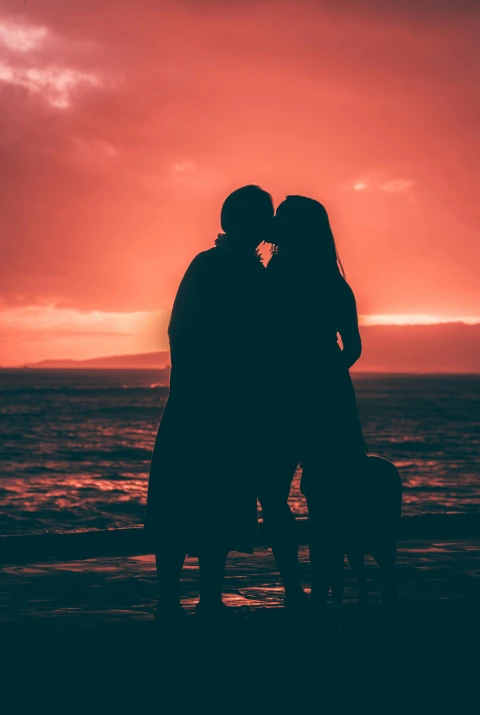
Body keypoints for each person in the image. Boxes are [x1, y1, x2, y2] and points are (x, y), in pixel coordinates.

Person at [145, 185, 274, 622]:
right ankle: (168, 597)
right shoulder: (207, 265)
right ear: (233, 220)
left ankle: (209, 596)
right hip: (197, 401)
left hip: (234, 405)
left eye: (264, 219)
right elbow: (180, 331)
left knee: (219, 497)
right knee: (182, 496)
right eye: (254, 217)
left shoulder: (258, 276)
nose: (259, 228)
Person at [266, 195, 380, 614]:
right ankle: (312, 593)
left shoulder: (277, 275)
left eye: (281, 219)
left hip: (290, 399)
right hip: (325, 399)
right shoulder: (333, 283)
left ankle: (302, 592)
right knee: (323, 498)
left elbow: (351, 347)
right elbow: (352, 349)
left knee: (282, 493)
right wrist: (326, 372)